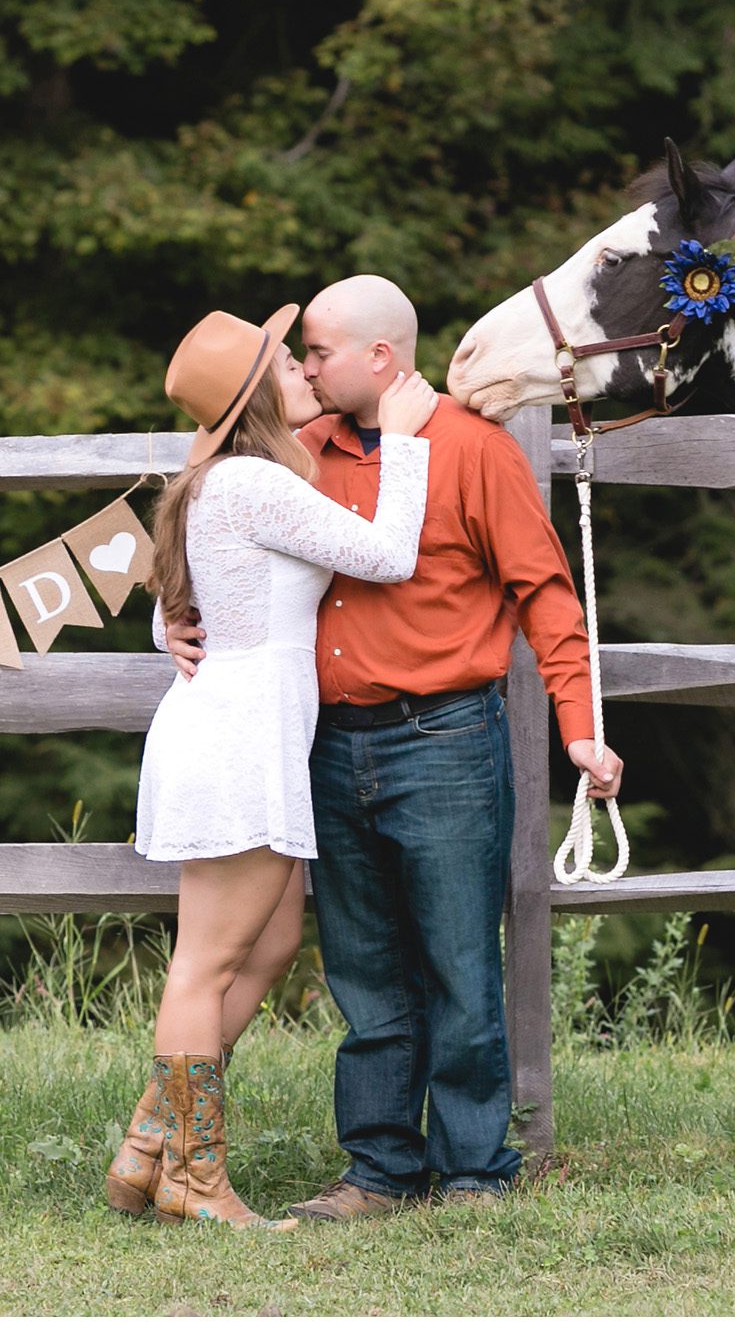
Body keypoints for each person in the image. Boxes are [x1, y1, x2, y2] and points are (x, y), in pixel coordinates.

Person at [164, 276, 625, 1220]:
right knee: (364, 973)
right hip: (325, 743)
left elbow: (544, 592)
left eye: (319, 352)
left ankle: (473, 1171)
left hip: (442, 738)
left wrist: (580, 727)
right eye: (298, 358)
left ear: (381, 357)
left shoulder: (474, 450)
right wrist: (174, 622)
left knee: (460, 962)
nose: (306, 369)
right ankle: (377, 1170)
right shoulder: (298, 455)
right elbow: (212, 552)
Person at [106, 304, 438, 1229]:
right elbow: (388, 555)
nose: (306, 371)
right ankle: (196, 1182)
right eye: (288, 364)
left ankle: (149, 1145)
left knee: (273, 945)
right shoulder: (251, 480)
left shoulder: (219, 482)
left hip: (250, 730)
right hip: (240, 737)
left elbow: (184, 604)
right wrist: (405, 442)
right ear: (257, 394)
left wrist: (169, 631)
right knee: (205, 965)